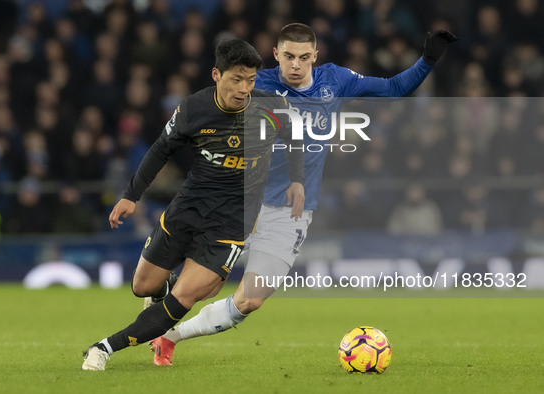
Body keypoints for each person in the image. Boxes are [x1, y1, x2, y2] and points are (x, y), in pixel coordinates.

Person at [150, 23, 457, 365]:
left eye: (303, 58)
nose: (295, 65)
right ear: (276, 55)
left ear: (315, 57)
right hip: (239, 205)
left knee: (250, 300)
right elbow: (209, 112)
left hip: (290, 213)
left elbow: (394, 88)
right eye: (289, 57)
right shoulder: (255, 84)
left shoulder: (335, 81)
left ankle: (169, 337)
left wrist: (427, 61)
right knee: (202, 285)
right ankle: (160, 294)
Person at [81, 38, 305, 371]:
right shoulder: (194, 109)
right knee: (142, 286)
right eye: (236, 79)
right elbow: (160, 149)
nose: (244, 88)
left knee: (183, 299)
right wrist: (131, 195)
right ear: (217, 75)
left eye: (251, 80)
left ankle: (103, 348)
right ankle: (165, 288)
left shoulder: (272, 108)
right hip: (188, 207)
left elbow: (295, 135)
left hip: (231, 223)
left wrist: (297, 180)